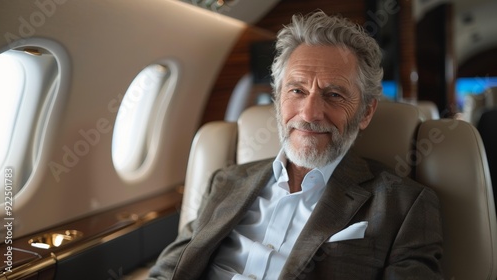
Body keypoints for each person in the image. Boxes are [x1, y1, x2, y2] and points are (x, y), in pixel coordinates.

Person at [148, 10, 443, 280]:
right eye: (297, 90)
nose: (309, 114)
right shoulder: (225, 181)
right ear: (277, 99)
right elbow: (169, 272)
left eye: (335, 95)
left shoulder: (405, 205)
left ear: (365, 112)